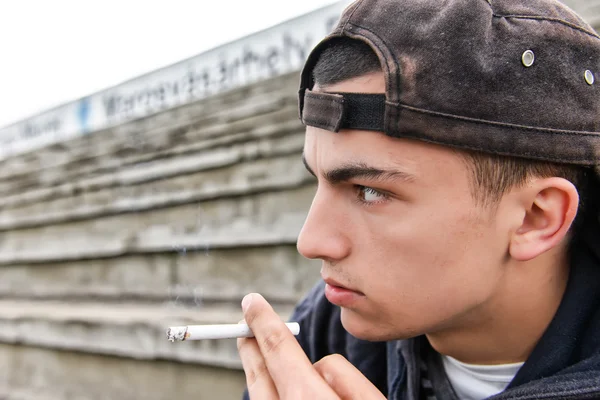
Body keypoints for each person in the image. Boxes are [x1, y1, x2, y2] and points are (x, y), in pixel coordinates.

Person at [237, 0, 600, 398]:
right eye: (317, 182)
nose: (310, 242)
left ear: (535, 217)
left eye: (371, 191)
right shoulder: (323, 335)